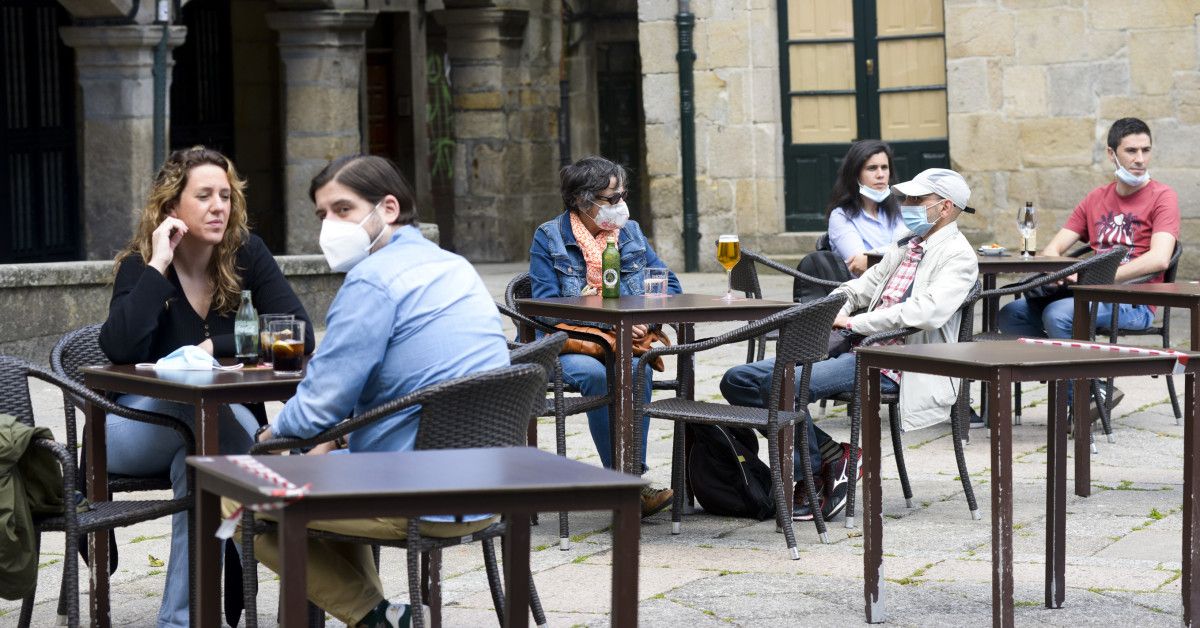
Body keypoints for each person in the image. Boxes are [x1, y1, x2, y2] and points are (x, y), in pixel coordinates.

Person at [247, 155, 510, 627]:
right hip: (486, 485)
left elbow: (318, 404)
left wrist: (267, 439)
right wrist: (325, 442)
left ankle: (375, 616)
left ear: (388, 208)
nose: (329, 225)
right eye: (322, 214)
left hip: (412, 490)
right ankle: (382, 616)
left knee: (234, 497)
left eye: (343, 210)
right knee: (324, 466)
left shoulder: (373, 280)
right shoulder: (455, 267)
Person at [98, 146, 314, 627]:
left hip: (206, 431)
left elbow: (298, 331)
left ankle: (182, 621)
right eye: (204, 196)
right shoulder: (143, 264)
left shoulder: (246, 255)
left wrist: (212, 347)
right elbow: (119, 343)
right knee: (205, 424)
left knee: (201, 464)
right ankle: (265, 498)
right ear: (172, 207)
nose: (220, 206)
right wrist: (158, 264)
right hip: (133, 427)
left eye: (226, 195)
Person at [721, 168, 979, 522]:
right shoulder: (908, 242)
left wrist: (856, 322)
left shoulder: (959, 256)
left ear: (945, 207)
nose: (906, 205)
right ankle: (832, 455)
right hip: (857, 345)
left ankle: (808, 477)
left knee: (786, 384)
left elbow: (926, 312)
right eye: (906, 198)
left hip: (899, 361)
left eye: (917, 200)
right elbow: (862, 285)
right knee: (738, 379)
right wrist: (833, 309)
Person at [528, 155, 680, 517]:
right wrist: (608, 324)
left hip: (624, 337)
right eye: (611, 199)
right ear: (582, 201)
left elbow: (669, 284)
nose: (620, 206)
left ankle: (629, 479)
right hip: (569, 343)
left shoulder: (630, 232)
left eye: (622, 196)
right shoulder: (549, 237)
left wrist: (644, 316)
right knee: (598, 375)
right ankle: (624, 487)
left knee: (638, 366)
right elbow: (547, 308)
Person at [997, 117, 1179, 412]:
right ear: (1112, 154)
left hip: (1134, 301)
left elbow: (1159, 258)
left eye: (1146, 150)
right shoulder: (1096, 198)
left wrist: (1099, 278)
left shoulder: (1163, 197)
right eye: (1131, 151)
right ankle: (1090, 381)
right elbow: (1054, 248)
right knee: (1010, 315)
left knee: (1058, 316)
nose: (1140, 159)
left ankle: (1080, 400)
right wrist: (1060, 275)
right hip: (1086, 294)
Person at [826, 140, 907, 276]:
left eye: (884, 167)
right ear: (855, 174)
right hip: (865, 293)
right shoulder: (840, 217)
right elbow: (862, 265)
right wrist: (904, 252)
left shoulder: (898, 210)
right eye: (872, 168)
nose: (880, 174)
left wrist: (875, 256)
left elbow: (913, 248)